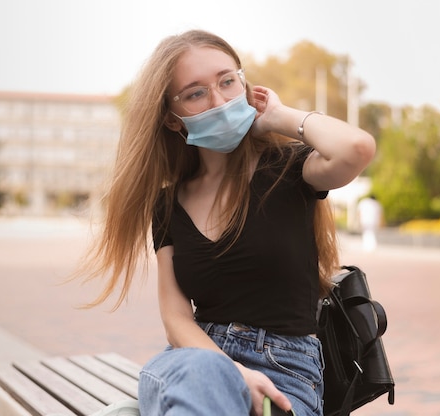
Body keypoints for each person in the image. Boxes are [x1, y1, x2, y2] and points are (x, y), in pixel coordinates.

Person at [78, 30, 376, 416]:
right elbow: (176, 319)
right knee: (204, 380)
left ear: (244, 82)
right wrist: (232, 372)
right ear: (172, 119)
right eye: (196, 93)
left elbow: (356, 148)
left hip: (285, 372)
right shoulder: (168, 204)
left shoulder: (289, 169)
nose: (218, 100)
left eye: (227, 81)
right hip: (196, 362)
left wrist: (278, 118)